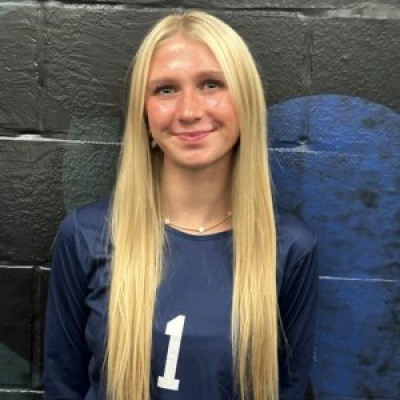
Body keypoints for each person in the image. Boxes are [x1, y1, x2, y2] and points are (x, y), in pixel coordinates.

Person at [43, 10, 318, 400]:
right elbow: (62, 385)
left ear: (246, 103)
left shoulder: (289, 248)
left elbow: (289, 388)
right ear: (144, 114)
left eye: (211, 84)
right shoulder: (86, 235)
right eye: (166, 90)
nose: (189, 111)